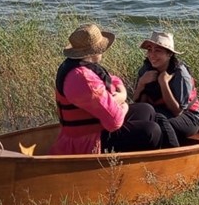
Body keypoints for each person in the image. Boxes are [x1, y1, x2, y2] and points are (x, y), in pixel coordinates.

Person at [50, 23, 161, 155]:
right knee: (151, 131)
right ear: (95, 51)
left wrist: (121, 93)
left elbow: (113, 79)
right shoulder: (82, 78)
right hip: (88, 141)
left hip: (97, 127)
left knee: (146, 109)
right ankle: (140, 170)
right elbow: (114, 122)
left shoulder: (80, 66)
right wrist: (123, 103)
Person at [133, 31, 199, 148]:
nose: (152, 55)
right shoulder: (146, 69)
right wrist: (141, 83)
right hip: (159, 113)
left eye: (158, 51)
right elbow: (137, 102)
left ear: (169, 54)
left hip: (189, 117)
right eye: (150, 50)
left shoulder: (180, 73)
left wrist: (164, 83)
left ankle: (174, 154)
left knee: (158, 121)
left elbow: (177, 111)